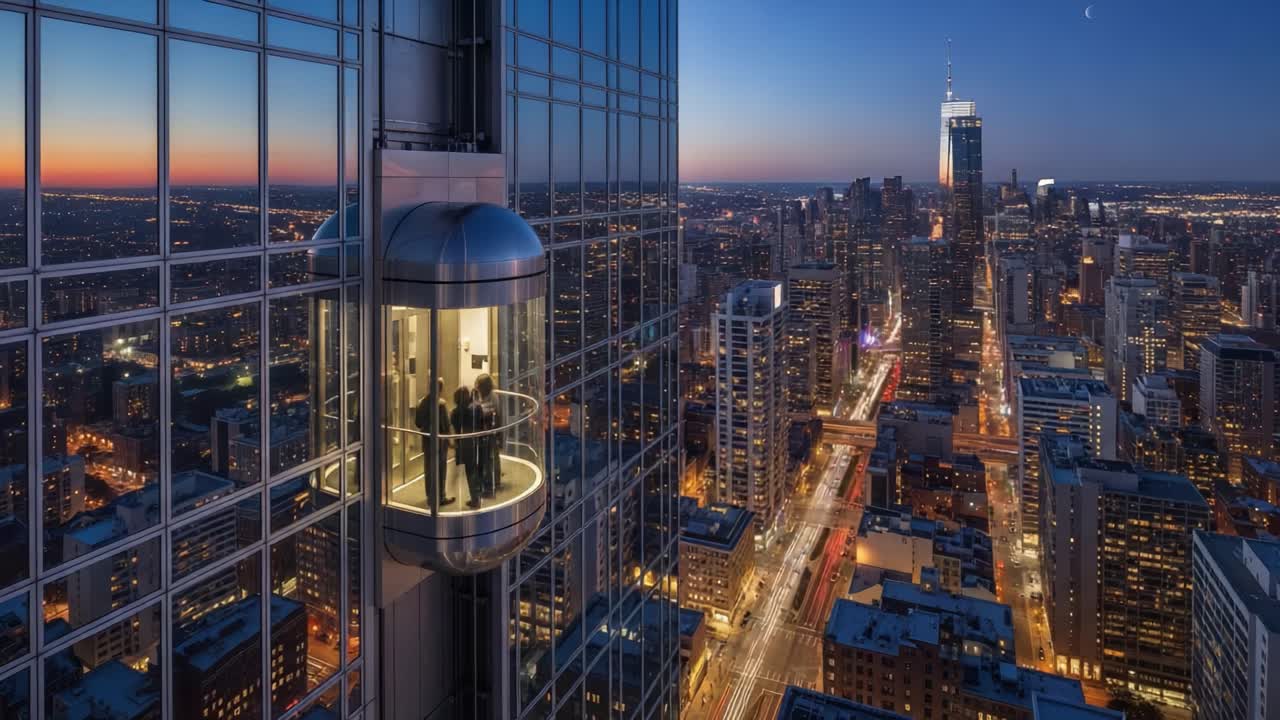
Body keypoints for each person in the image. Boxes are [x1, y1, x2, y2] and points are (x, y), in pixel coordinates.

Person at [414, 379, 455, 509]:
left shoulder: (421, 402)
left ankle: (430, 496)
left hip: (427, 440)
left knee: (429, 469)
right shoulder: (441, 404)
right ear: (441, 389)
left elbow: (418, 423)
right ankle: (441, 496)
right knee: (441, 469)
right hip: (439, 441)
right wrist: (450, 441)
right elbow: (445, 425)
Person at [450, 386, 485, 508]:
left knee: (470, 471)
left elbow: (457, 430)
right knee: (478, 469)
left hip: (466, 443)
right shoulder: (477, 407)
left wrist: (456, 445)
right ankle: (478, 496)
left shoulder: (456, 412)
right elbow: (482, 423)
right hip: (479, 441)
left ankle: (475, 499)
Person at [473, 373, 502, 495]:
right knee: (486, 456)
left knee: (492, 456)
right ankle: (487, 479)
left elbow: (491, 410)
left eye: (479, 385)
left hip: (491, 431)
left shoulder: (493, 396)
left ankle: (494, 480)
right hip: (484, 431)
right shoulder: (483, 395)